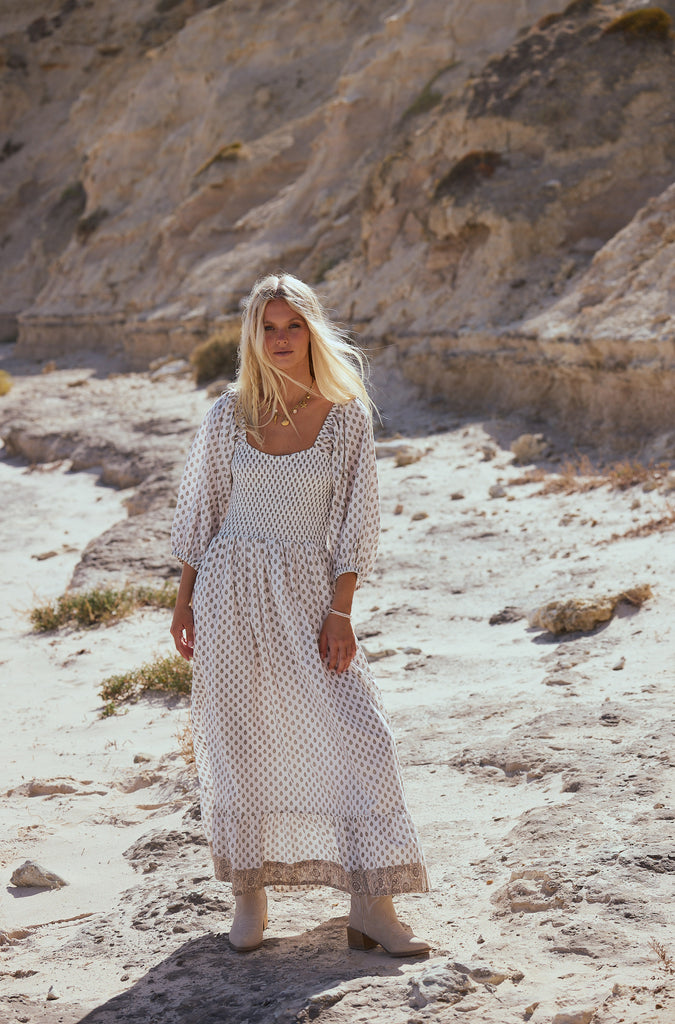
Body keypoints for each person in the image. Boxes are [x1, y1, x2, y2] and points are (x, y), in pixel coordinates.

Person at [170, 273, 430, 956]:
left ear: (311, 330)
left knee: (360, 737)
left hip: (307, 591)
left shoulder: (343, 415)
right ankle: (248, 895)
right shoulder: (227, 413)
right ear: (251, 336)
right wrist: (182, 602)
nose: (280, 339)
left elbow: (355, 525)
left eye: (292, 326)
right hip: (227, 589)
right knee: (237, 740)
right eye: (268, 327)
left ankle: (372, 905)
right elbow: (202, 514)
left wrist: (340, 611)